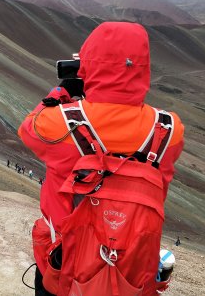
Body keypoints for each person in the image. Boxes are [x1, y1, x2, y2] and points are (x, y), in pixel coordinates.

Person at [18, 22, 184, 296]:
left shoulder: (59, 124)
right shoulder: (168, 129)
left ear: (89, 63)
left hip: (64, 265)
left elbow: (28, 128)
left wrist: (63, 90)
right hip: (130, 269)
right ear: (143, 67)